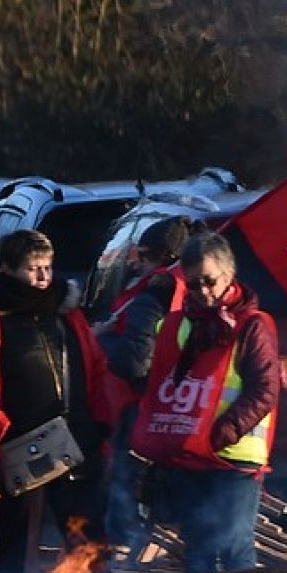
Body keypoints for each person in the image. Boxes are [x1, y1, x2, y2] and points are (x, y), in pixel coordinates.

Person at [130, 232, 279, 573]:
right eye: (193, 284)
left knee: (234, 549)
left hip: (233, 459)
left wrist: (223, 432)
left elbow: (265, 390)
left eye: (209, 282)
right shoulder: (179, 324)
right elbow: (160, 380)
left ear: (229, 276)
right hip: (188, 455)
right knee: (197, 547)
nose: (202, 292)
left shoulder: (251, 326)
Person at [0, 230, 116, 573]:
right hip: (20, 444)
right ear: (7, 268)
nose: (43, 278)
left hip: (76, 438)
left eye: (47, 268)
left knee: (86, 535)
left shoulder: (65, 311)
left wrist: (100, 423)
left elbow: (94, 366)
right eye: (33, 269)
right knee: (20, 538)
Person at [97, 216, 191, 554]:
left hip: (141, 405)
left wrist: (102, 348)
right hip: (185, 409)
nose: (135, 261)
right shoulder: (195, 293)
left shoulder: (152, 295)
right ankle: (165, 555)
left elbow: (132, 359)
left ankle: (126, 558)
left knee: (126, 480)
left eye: (142, 254)